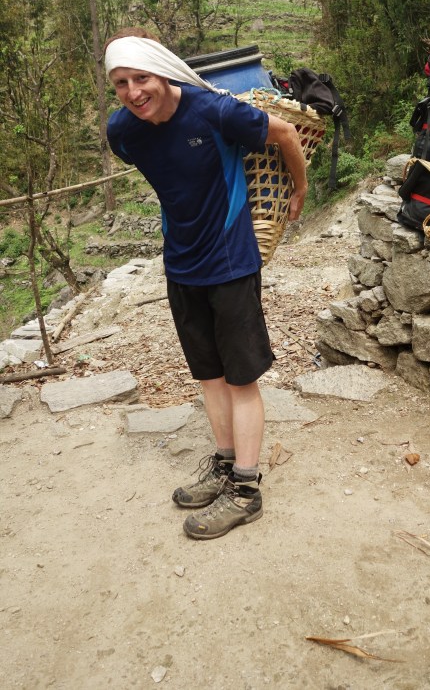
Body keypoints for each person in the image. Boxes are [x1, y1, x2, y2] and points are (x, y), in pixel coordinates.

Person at [104, 28, 308, 540]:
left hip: (231, 262)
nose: (133, 92)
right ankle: (223, 465)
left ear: (163, 72)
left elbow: (283, 133)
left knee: (241, 378)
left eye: (141, 77)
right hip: (182, 265)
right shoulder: (123, 131)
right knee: (209, 376)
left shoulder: (214, 111)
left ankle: (246, 489)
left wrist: (299, 189)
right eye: (121, 83)